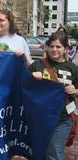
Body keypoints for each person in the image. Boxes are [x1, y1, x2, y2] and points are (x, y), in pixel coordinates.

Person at [28, 31, 78, 160]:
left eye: (58, 46)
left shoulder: (72, 68)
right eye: (51, 46)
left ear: (66, 48)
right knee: (38, 152)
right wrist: (31, 78)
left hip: (62, 119)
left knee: (54, 153)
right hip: (39, 118)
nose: (54, 49)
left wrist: (75, 91)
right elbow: (24, 87)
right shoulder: (37, 65)